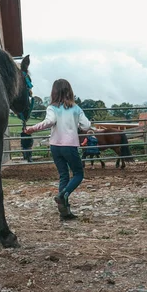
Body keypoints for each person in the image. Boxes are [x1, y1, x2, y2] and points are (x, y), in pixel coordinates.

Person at [24, 79, 91, 220]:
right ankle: (63, 195)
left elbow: (49, 122)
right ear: (69, 91)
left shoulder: (51, 108)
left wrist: (32, 129)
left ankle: (64, 212)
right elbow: (86, 125)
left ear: (54, 92)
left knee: (63, 175)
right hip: (69, 146)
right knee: (78, 174)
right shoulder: (76, 108)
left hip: (55, 146)